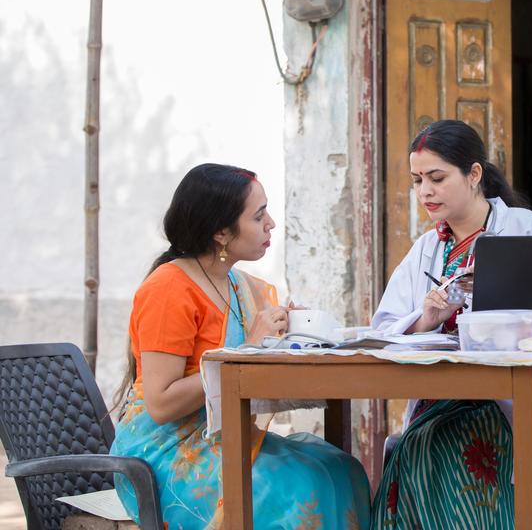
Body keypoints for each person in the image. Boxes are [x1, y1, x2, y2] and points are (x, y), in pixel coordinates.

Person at [110, 163, 371, 529]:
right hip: (166, 453)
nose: (271, 225)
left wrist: (287, 335)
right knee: (303, 485)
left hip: (221, 435)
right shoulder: (168, 289)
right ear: (221, 231)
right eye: (259, 216)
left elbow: (251, 366)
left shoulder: (236, 285)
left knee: (342, 469)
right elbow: (162, 403)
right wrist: (248, 348)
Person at [370, 120, 532, 528]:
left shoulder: (531, 231)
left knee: (440, 445)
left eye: (436, 178)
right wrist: (425, 318)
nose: (425, 192)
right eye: (417, 181)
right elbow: (383, 330)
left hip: (511, 399)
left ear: (474, 175)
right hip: (442, 397)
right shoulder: (427, 249)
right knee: (419, 445)